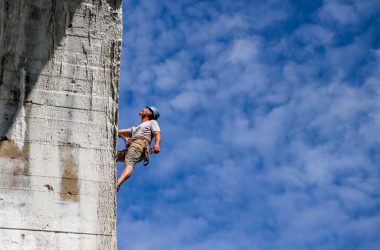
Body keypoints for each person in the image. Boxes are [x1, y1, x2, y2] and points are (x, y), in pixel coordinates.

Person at [116, 106, 161, 192]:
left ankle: (118, 183)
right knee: (115, 156)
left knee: (129, 163)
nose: (144, 108)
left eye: (147, 108)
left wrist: (157, 144)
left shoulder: (152, 122)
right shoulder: (136, 128)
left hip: (138, 145)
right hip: (132, 146)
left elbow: (157, 134)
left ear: (150, 113)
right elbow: (122, 132)